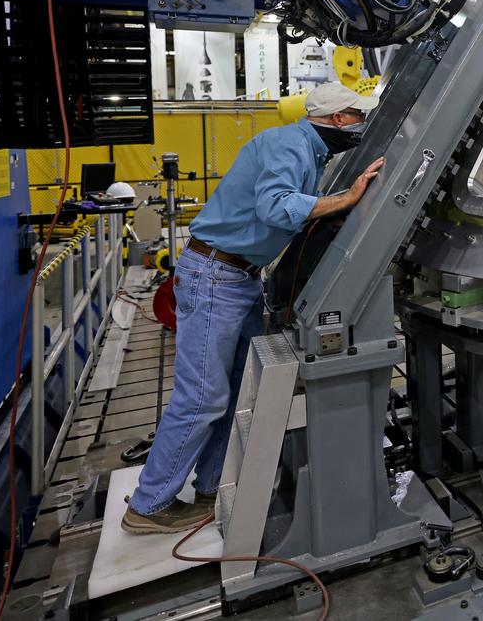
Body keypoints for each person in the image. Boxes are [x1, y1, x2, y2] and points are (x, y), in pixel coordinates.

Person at [122, 82, 385, 534]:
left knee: (233, 391)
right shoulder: (290, 144)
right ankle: (148, 506)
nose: (361, 124)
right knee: (203, 395)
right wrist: (345, 199)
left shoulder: (309, 149)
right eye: (358, 116)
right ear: (339, 119)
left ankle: (209, 485)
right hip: (215, 279)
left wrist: (331, 212)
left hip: (239, 278)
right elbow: (276, 207)